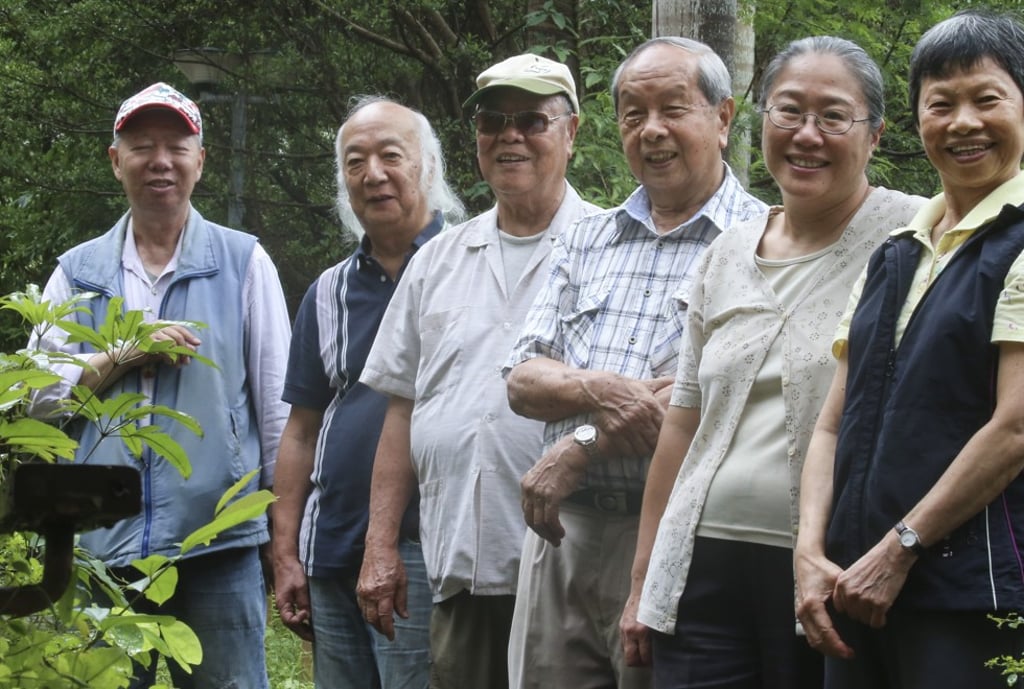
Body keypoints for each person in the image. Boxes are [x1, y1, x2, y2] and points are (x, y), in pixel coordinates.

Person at [620, 37, 923, 689]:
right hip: (700, 569)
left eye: (834, 116)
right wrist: (645, 580)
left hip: (832, 571)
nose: (806, 135)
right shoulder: (726, 253)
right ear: (757, 122)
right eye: (788, 111)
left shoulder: (914, 237)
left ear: (874, 135)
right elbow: (683, 425)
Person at [504, 37, 767, 689]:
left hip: (678, 540)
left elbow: (708, 402)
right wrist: (604, 388)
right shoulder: (587, 237)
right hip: (563, 536)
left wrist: (581, 441)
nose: (652, 130)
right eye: (632, 113)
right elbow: (524, 379)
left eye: (673, 108)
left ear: (724, 117)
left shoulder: (761, 240)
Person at [29, 82, 291, 689]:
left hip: (216, 542)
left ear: (201, 160)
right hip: (98, 545)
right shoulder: (77, 272)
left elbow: (277, 412)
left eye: (177, 145)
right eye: (142, 145)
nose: (161, 160)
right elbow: (34, 402)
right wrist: (124, 352)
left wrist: (284, 541)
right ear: (115, 160)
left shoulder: (243, 261)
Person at [794, 10, 1024, 689]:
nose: (963, 123)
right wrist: (811, 549)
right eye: (940, 103)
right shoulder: (894, 254)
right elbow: (831, 423)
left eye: (987, 99)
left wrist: (901, 547)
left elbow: (1014, 428)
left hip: (969, 594)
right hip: (854, 590)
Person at [356, 53, 601, 689]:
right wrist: (381, 545)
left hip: (570, 569)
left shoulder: (610, 250)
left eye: (532, 121)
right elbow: (402, 407)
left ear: (571, 132)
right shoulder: (437, 259)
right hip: (459, 567)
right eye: (494, 121)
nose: (509, 136)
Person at [272, 96, 465, 689]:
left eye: (391, 156)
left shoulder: (468, 266)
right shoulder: (328, 291)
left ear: (428, 166)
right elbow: (301, 430)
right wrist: (285, 552)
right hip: (332, 546)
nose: (373, 174)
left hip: (425, 549)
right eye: (356, 161)